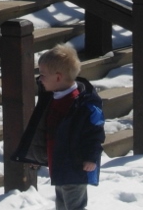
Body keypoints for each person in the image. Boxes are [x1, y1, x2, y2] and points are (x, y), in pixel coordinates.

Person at [12, 43, 105, 210]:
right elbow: (45, 132)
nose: (39, 79)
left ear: (58, 77)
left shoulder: (83, 105)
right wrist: (36, 156)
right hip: (60, 166)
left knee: (75, 206)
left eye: (42, 75)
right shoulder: (51, 99)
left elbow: (94, 134)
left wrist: (91, 157)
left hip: (76, 166)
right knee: (62, 204)